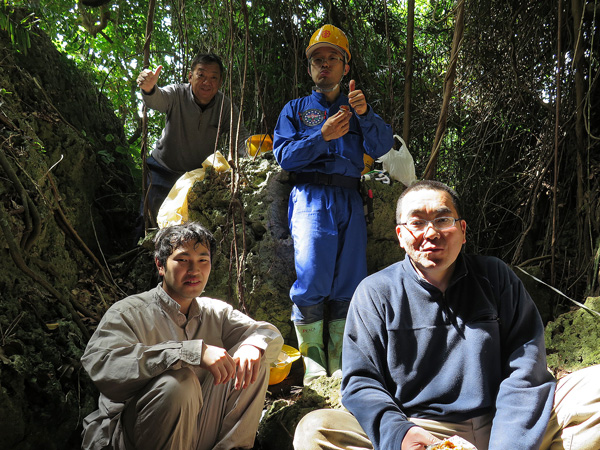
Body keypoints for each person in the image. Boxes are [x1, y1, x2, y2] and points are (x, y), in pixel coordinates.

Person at [293, 180, 600, 450]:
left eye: (442, 220)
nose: (431, 232)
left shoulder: (494, 276)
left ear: (462, 231)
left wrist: (509, 444)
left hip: (505, 419)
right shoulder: (375, 292)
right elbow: (361, 382)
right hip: (424, 431)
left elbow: (526, 367)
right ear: (401, 235)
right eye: (417, 222)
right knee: (315, 430)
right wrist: (401, 433)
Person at [81, 222, 283, 450]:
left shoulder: (215, 311)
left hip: (197, 431)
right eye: (183, 260)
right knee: (179, 384)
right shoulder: (128, 312)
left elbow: (265, 333)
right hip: (134, 436)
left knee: (255, 358)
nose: (194, 270)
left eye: (202, 260)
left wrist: (251, 347)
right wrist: (190, 353)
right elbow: (101, 366)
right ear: (160, 265)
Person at [273, 24, 394, 384]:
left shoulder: (357, 107)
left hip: (351, 198)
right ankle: (313, 361)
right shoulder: (295, 109)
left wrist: (366, 113)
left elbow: (382, 146)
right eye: (317, 60)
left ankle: (341, 359)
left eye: (332, 59)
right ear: (310, 69)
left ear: (345, 66)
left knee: (351, 279)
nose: (324, 65)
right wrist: (321, 135)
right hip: (311, 196)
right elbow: (284, 156)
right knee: (312, 274)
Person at [136, 53, 250, 223]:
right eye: (201, 75)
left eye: (213, 77)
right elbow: (157, 100)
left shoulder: (225, 107)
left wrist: (257, 152)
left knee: (184, 225)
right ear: (190, 76)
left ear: (220, 83)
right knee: (147, 218)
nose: (207, 82)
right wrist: (149, 88)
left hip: (195, 178)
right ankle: (140, 249)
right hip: (162, 169)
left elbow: (241, 138)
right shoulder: (177, 93)